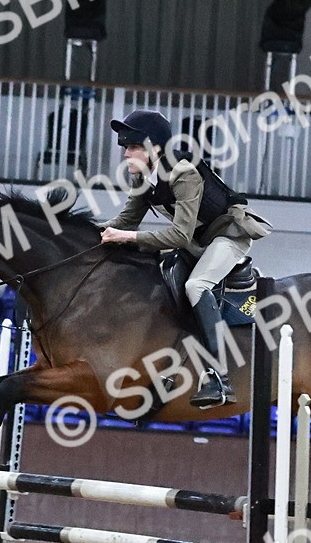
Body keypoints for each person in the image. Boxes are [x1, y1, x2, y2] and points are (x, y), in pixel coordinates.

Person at [98, 109, 272, 409]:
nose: (126, 154)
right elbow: (126, 221)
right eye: (126, 147)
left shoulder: (184, 174)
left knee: (196, 285)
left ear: (154, 148)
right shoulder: (143, 177)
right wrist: (86, 234)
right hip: (196, 242)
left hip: (227, 236)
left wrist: (126, 237)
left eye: (133, 147)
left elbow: (178, 235)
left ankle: (219, 378)